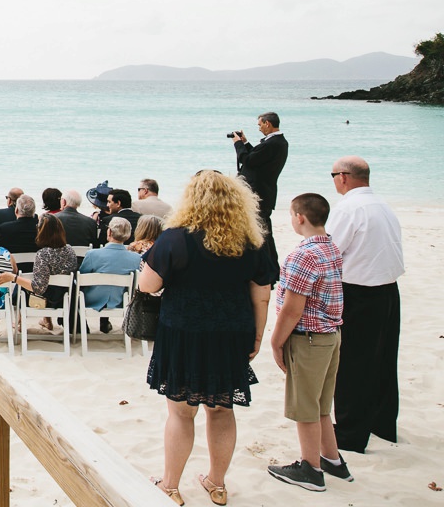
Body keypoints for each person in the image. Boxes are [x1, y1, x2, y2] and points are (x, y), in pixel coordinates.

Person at [138, 170, 275, 506]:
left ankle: (170, 485)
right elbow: (262, 295)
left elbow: (147, 286)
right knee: (222, 410)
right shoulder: (252, 241)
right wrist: (257, 335)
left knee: (181, 414)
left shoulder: (175, 238)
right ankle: (217, 483)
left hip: (184, 332)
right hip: (231, 331)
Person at [267, 193, 347, 492]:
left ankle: (311, 468)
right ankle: (332, 460)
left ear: (299, 217)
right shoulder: (331, 247)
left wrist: (276, 342)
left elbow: (292, 308)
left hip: (309, 338)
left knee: (305, 407)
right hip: (330, 335)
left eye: (291, 214)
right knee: (321, 403)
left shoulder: (303, 255)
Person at [326, 155, 404, 455]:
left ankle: (350, 433)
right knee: (383, 359)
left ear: (343, 177)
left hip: (359, 292)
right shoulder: (382, 205)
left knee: (352, 364)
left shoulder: (348, 208)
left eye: (333, 174)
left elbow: (332, 251)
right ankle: (383, 423)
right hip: (388, 290)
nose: (333, 180)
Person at [0, 213, 77, 332]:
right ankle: (46, 320)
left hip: (47, 301)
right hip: (64, 299)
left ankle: (20, 322)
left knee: (20, 286)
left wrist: (13, 277)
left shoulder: (43, 254)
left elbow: (38, 288)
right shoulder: (69, 250)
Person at [232, 111, 289, 272]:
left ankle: (267, 266)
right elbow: (257, 158)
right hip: (265, 192)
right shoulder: (277, 142)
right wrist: (246, 142)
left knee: (261, 232)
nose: (259, 128)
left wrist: (238, 144)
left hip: (259, 194)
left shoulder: (273, 143)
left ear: (267, 124)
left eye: (259, 125)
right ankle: (270, 265)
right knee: (264, 231)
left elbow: (248, 160)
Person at [78, 217, 141, 333]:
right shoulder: (136, 258)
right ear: (127, 235)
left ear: (109, 232)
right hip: (122, 301)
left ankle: (80, 329)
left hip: (91, 300)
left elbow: (81, 279)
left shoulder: (92, 254)